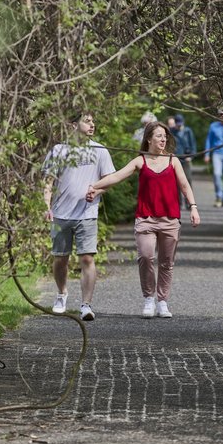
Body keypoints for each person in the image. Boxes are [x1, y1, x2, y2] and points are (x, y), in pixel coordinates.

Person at [86, 122, 201, 318]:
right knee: (146, 257)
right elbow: (117, 177)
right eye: (158, 136)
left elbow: (184, 185)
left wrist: (193, 207)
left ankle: (162, 301)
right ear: (149, 139)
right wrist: (94, 187)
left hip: (170, 219)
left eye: (164, 136)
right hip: (146, 219)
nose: (163, 139)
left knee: (166, 262)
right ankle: (149, 298)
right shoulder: (140, 161)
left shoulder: (173, 161)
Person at [42, 112, 115, 321]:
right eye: (87, 121)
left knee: (87, 257)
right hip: (59, 215)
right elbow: (48, 181)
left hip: (87, 214)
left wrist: (97, 191)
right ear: (73, 125)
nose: (92, 124)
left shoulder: (99, 150)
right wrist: (46, 206)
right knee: (60, 258)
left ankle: (86, 305)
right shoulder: (59, 150)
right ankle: (61, 294)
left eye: (93, 120)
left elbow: (109, 180)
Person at [173, 114, 198, 210]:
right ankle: (178, 203)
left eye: (180, 123)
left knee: (187, 180)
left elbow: (193, 145)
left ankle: (189, 203)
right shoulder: (172, 131)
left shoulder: (188, 131)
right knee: (176, 182)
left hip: (186, 159)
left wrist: (191, 156)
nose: (179, 125)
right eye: (177, 123)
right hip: (176, 159)